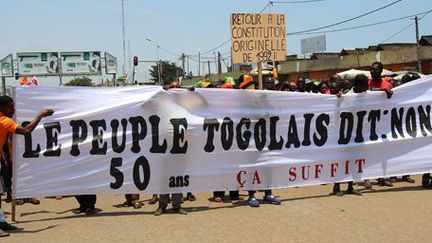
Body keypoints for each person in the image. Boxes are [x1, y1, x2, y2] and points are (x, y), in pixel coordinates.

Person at [0, 95, 54, 236]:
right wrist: (41, 115)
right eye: (11, 106)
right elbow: (26, 130)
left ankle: (1, 222)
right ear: (3, 108)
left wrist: (4, 155)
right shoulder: (4, 120)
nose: (14, 109)